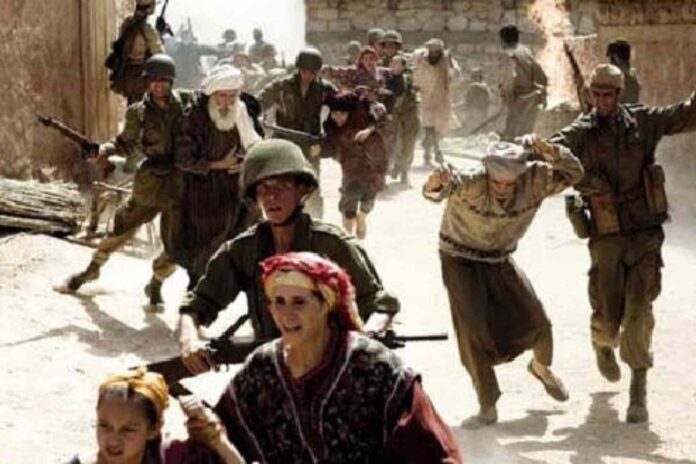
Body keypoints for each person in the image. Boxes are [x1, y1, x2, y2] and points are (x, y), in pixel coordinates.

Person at [208, 251, 463, 463]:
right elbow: (217, 440)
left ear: (325, 305)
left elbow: (433, 451)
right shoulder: (261, 369)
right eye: (279, 302)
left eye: (299, 302)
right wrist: (206, 430)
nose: (286, 314)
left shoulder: (375, 367)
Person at [549, 63, 696, 423]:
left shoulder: (643, 122)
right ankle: (602, 344)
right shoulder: (581, 133)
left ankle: (638, 389)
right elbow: (555, 150)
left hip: (644, 232)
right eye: (597, 95)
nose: (602, 101)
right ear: (590, 96)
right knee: (607, 315)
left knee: (639, 310)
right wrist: (577, 175)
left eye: (609, 95)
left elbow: (684, 115)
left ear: (619, 95)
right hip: (607, 235)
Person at [177, 139, 399, 374]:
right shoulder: (243, 250)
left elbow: (380, 304)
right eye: (263, 188)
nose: (271, 197)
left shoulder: (332, 245)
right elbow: (197, 304)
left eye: (281, 186)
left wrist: (369, 337)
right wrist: (189, 340)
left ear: (302, 190)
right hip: (272, 370)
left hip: (333, 368)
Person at [423, 137, 584, 427]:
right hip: (459, 258)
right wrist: (434, 184)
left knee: (538, 320)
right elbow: (439, 190)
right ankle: (487, 405)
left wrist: (551, 151)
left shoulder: (536, 179)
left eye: (510, 184)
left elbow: (575, 173)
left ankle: (541, 368)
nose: (502, 189)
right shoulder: (472, 181)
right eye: (496, 182)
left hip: (499, 258)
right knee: (472, 329)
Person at [60, 54, 189, 308]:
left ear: (171, 82)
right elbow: (124, 143)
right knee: (121, 228)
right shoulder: (138, 113)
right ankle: (92, 269)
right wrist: (105, 150)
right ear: (147, 82)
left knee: (177, 244)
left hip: (181, 182)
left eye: (163, 80)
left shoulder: (187, 103)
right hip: (150, 181)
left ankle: (156, 282)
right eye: (153, 80)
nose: (158, 85)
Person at [174, 64, 263, 288]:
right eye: (222, 96)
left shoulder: (240, 111)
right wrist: (217, 165)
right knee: (204, 245)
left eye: (232, 96)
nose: (227, 102)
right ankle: (196, 292)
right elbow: (184, 159)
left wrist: (243, 162)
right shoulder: (195, 116)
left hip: (234, 188)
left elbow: (253, 144)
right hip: (201, 191)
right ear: (212, 94)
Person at [66, 368, 242, 463]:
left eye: (128, 430)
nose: (113, 439)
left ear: (153, 429)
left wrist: (215, 438)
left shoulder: (172, 457)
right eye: (105, 425)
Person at [259, 48, 335, 218]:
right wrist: (255, 115)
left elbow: (340, 111)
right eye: (304, 71)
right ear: (298, 69)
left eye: (312, 72)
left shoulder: (325, 89)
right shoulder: (281, 86)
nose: (307, 76)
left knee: (311, 185)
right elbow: (260, 100)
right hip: (284, 143)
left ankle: (315, 221)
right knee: (283, 184)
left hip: (310, 144)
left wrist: (322, 144)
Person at [321, 91, 390, 238]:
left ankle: (362, 217)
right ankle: (348, 237)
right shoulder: (332, 127)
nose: (338, 117)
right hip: (351, 169)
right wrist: (319, 149)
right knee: (349, 200)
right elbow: (330, 147)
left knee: (368, 199)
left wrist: (369, 130)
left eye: (342, 114)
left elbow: (383, 117)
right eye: (334, 113)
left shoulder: (364, 114)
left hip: (374, 164)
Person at [413, 38, 461, 165]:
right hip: (426, 99)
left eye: (436, 51)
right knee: (429, 128)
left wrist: (451, 69)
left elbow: (456, 77)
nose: (433, 54)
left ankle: (432, 149)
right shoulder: (421, 59)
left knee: (439, 128)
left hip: (442, 100)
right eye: (431, 51)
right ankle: (433, 151)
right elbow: (416, 76)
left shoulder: (447, 61)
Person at [107, 0, 165, 104]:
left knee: (132, 106)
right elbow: (159, 54)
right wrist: (160, 34)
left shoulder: (127, 24)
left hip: (127, 74)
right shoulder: (147, 29)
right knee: (142, 107)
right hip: (140, 75)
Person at [498, 24, 548, 141]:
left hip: (520, 100)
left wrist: (505, 96)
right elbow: (540, 74)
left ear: (503, 40)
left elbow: (510, 79)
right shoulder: (526, 51)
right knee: (525, 135)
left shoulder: (511, 55)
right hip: (532, 99)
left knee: (513, 136)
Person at [386, 53, 420, 184]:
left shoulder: (408, 80)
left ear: (403, 66)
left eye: (397, 63)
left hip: (409, 114)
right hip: (394, 115)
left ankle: (404, 171)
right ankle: (397, 166)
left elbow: (415, 97)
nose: (394, 66)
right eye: (393, 63)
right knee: (397, 142)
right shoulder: (387, 80)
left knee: (409, 143)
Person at [607, 39, 641, 104]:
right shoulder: (633, 74)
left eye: (611, 58)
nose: (610, 62)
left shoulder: (617, 78)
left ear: (615, 57)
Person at [463, 67, 491, 134]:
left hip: (474, 116)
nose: (472, 79)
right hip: (482, 117)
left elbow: (467, 101)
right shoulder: (486, 88)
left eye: (474, 77)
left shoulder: (474, 87)